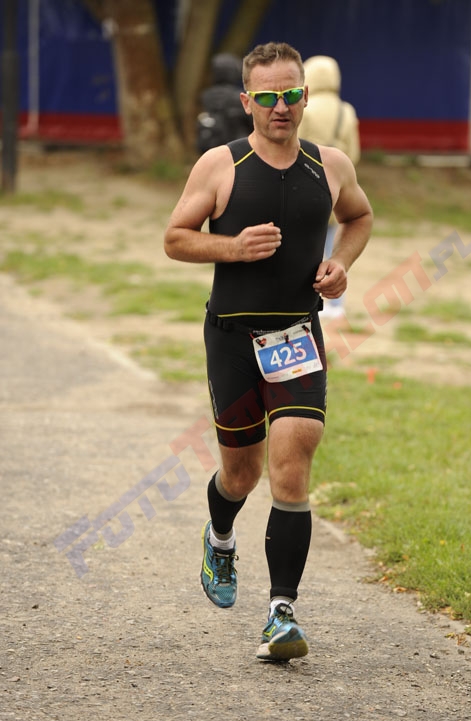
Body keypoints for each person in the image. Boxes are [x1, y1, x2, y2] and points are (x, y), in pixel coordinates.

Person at [164, 41, 372, 661]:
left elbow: (359, 218)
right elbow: (175, 238)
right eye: (268, 97)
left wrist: (341, 263)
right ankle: (220, 536)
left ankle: (282, 613)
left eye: (291, 95)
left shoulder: (330, 165)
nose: (281, 107)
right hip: (231, 337)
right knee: (241, 473)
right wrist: (233, 248)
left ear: (305, 97)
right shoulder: (220, 165)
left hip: (296, 336)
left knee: (292, 462)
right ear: (247, 101)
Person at [299, 55, 360, 320]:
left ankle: (306, 300)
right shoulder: (347, 111)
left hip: (305, 185)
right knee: (335, 249)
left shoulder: (305, 109)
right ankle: (337, 303)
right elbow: (354, 153)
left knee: (305, 247)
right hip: (338, 186)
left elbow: (293, 148)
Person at [196, 53, 253, 153]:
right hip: (236, 148)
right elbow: (252, 123)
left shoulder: (206, 96)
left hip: (211, 150)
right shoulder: (239, 97)